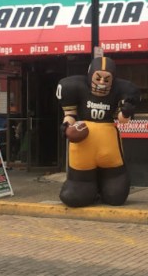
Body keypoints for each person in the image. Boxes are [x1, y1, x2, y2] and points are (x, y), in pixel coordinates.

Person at [56, 56, 140, 207]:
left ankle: (107, 186)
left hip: (109, 144)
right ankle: (83, 186)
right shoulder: (75, 87)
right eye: (98, 78)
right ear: (90, 76)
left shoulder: (120, 91)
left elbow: (122, 119)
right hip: (84, 143)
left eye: (106, 79)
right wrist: (66, 127)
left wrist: (126, 112)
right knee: (76, 194)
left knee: (116, 194)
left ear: (113, 80)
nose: (101, 83)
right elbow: (70, 115)